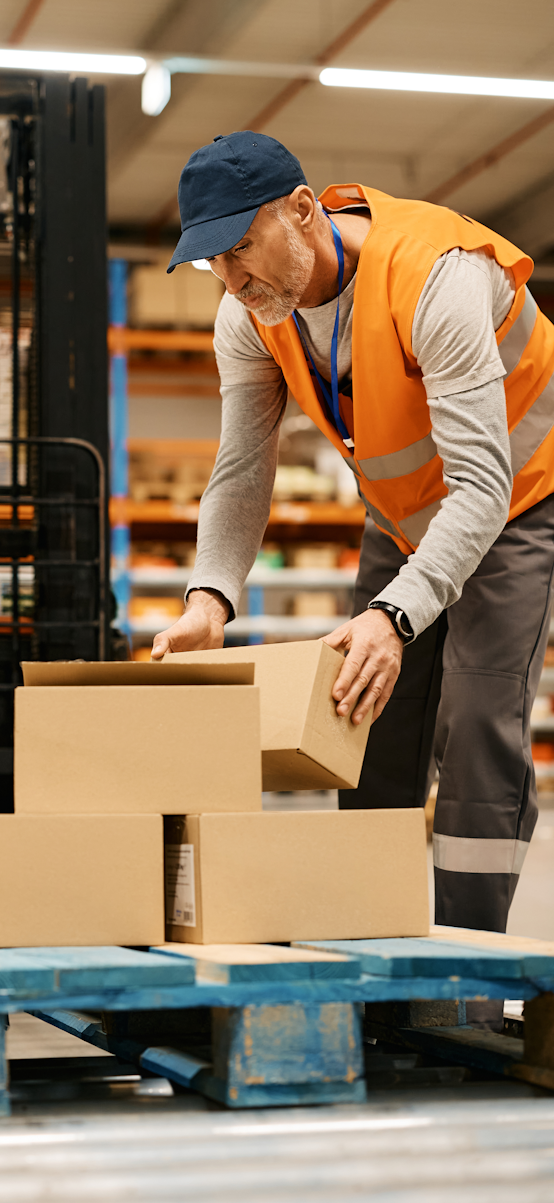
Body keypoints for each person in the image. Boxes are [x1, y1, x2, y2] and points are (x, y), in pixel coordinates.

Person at [151, 133, 554, 934]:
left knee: (476, 724)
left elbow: (480, 485)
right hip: (403, 519)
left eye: (241, 250)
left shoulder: (435, 276)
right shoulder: (251, 315)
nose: (232, 281)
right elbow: (241, 472)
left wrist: (395, 616)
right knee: (363, 716)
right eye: (213, 266)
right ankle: (375, 955)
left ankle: (467, 971)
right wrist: (210, 599)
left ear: (302, 210)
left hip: (515, 501)